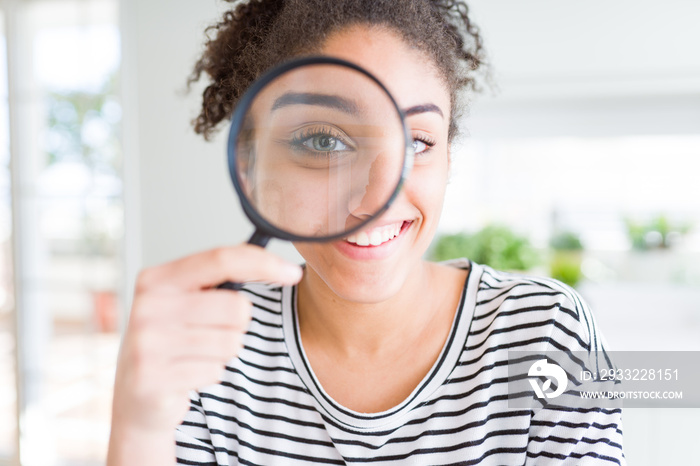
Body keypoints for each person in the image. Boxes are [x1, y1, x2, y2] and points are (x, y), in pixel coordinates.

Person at [107, 0, 626, 464]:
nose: (375, 199)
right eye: (322, 141)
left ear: (448, 155)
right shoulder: (206, 345)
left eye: (419, 141)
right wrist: (139, 430)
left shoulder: (549, 333)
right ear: (256, 160)